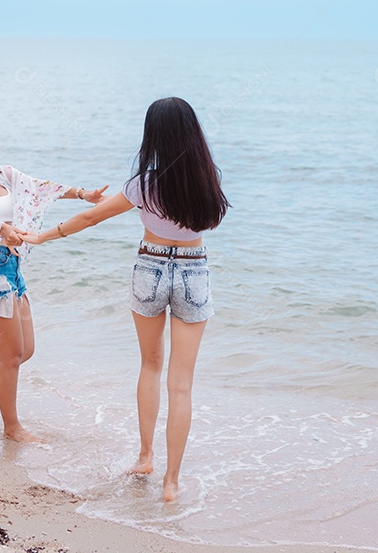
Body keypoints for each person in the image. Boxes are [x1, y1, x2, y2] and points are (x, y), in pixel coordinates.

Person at [21, 97, 229, 500]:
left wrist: (41, 235)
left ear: (154, 136)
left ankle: (146, 456)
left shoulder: (144, 184)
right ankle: (171, 482)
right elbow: (211, 220)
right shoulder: (208, 178)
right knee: (181, 384)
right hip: (194, 270)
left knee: (150, 366)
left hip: (149, 267)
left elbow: (90, 217)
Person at [0, 103, 106, 443]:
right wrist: (4, 229)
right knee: (11, 355)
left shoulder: (2, 173)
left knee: (23, 350)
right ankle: (12, 428)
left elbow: (39, 187)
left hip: (13, 266)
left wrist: (82, 194)